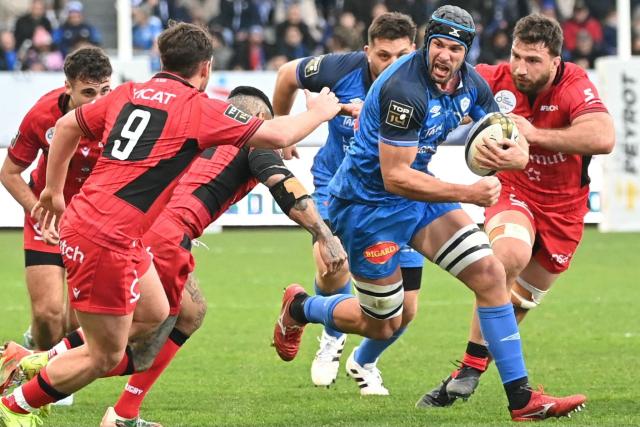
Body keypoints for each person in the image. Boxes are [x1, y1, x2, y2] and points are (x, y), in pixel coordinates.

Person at [0, 21, 342, 427]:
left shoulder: (129, 91)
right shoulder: (198, 107)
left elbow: (70, 126)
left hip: (113, 229)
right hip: (105, 236)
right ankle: (16, 404)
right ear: (206, 69)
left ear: (162, 59)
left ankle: (43, 364)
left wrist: (54, 191)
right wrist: (321, 111)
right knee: (105, 354)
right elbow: (278, 132)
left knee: (158, 309)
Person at [272, 5, 587, 421]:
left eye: (454, 48)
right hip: (368, 209)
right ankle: (300, 308)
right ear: (426, 44)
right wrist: (469, 191)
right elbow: (395, 177)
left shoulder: (470, 83)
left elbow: (504, 129)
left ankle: (521, 399)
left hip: (418, 197)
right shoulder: (405, 88)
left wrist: (517, 153)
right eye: (437, 44)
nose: (444, 55)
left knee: (491, 274)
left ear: (465, 52)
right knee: (382, 323)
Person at [417, 13, 614, 409]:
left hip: (564, 209)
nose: (521, 68)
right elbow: (434, 90)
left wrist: (532, 133)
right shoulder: (493, 77)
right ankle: (475, 369)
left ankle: (465, 370)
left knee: (517, 303)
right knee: (507, 256)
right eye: (516, 56)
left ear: (555, 62)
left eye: (533, 61)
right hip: (514, 190)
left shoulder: (574, 84)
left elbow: (604, 136)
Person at [272, 12, 422, 394]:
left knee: (406, 311)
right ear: (367, 51)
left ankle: (364, 361)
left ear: (415, 51)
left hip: (398, 199)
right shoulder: (341, 69)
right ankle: (331, 337)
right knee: (331, 263)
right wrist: (282, 130)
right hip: (337, 187)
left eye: (402, 55)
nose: (393, 64)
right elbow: (288, 74)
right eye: (384, 55)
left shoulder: (428, 81)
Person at [0, 46, 112, 351]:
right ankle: (38, 344)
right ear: (68, 87)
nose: (98, 102)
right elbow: (9, 173)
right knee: (48, 315)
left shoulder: (120, 115)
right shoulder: (42, 114)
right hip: (46, 214)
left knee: (79, 323)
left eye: (105, 91)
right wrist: (39, 212)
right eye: (88, 92)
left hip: (92, 220)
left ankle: (55, 376)